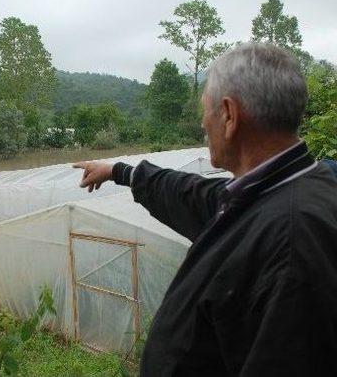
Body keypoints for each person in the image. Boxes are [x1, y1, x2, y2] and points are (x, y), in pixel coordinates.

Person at [73, 43, 337, 376]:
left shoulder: (292, 241)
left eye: (205, 110)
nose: (202, 123)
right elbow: (192, 194)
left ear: (229, 115)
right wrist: (119, 171)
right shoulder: (275, 191)